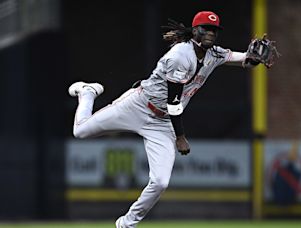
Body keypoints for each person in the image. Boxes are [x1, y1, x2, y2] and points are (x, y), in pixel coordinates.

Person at [68, 11, 277, 228]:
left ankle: (127, 223)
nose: (210, 33)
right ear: (194, 30)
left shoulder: (214, 54)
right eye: (205, 28)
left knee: (160, 182)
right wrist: (181, 137)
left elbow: (239, 58)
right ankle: (88, 93)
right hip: (139, 106)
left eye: (214, 30)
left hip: (162, 123)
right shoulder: (180, 55)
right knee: (80, 132)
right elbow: (174, 102)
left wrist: (251, 59)